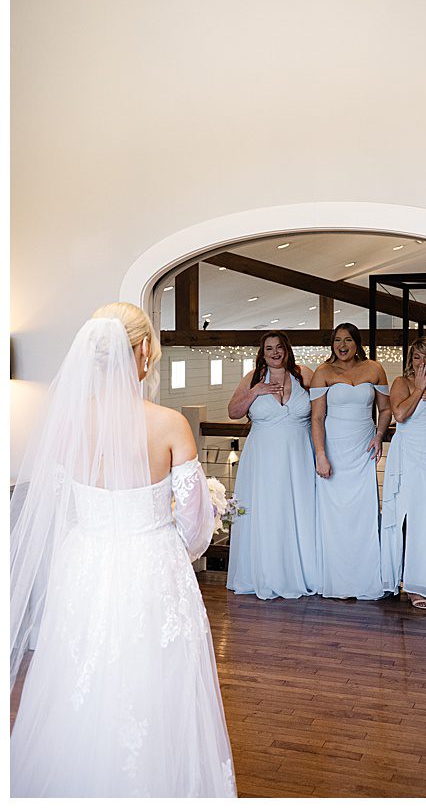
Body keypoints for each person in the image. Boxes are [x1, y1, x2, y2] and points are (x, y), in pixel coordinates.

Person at [10, 304, 236, 796]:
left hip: (83, 562)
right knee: (152, 682)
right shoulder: (169, 424)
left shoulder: (65, 423)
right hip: (150, 565)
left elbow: (57, 507)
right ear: (143, 353)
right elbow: (196, 524)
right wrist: (181, 548)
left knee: (79, 675)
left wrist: (91, 536)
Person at [226, 331, 321, 598]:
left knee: (297, 509)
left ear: (287, 349)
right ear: (263, 353)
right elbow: (233, 412)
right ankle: (263, 573)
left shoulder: (305, 375)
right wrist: (255, 392)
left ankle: (301, 573)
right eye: (269, 349)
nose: (275, 352)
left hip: (299, 457)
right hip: (262, 460)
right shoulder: (253, 377)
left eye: (279, 347)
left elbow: (323, 410)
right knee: (264, 512)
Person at [308, 321, 387, 600]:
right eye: (337, 341)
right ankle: (336, 580)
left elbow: (385, 409)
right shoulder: (322, 372)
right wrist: (320, 454)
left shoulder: (375, 369)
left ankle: (365, 579)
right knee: (336, 515)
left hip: (364, 448)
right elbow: (317, 418)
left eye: (348, 341)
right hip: (334, 450)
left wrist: (379, 436)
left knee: (363, 513)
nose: (342, 346)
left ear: (357, 343)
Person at [381, 333, 426, 610]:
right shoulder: (402, 383)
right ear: (411, 360)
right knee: (407, 517)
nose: (421, 361)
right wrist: (419, 390)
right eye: (417, 356)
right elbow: (399, 415)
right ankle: (409, 584)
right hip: (408, 455)